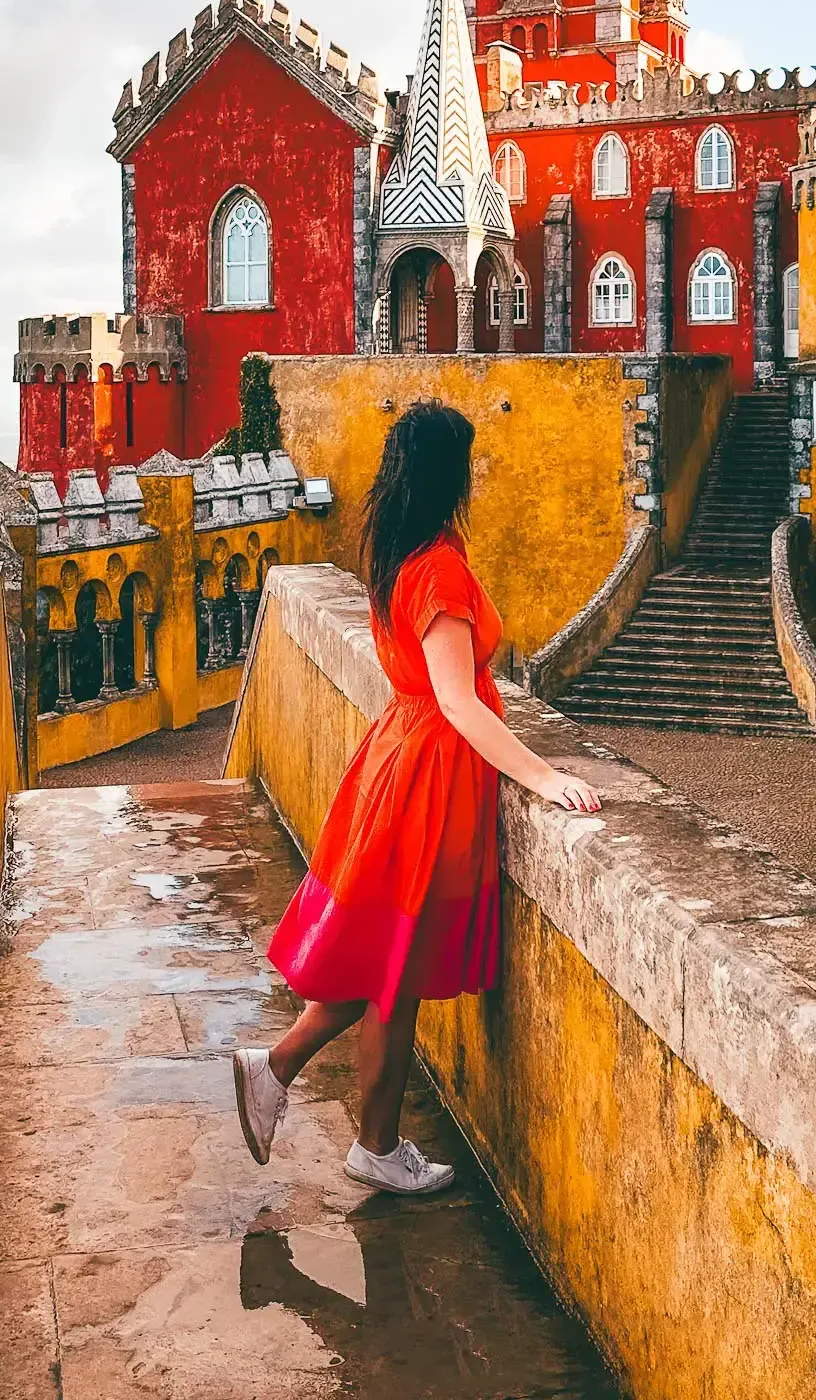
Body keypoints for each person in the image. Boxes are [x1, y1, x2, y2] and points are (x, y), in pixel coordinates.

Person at [232, 400, 600, 1194]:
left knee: (385, 959)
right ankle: (365, 1137)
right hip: (428, 776)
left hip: (400, 756)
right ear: (448, 475)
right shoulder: (436, 567)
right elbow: (459, 701)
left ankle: (285, 1075)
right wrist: (544, 775)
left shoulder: (401, 550)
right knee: (392, 971)